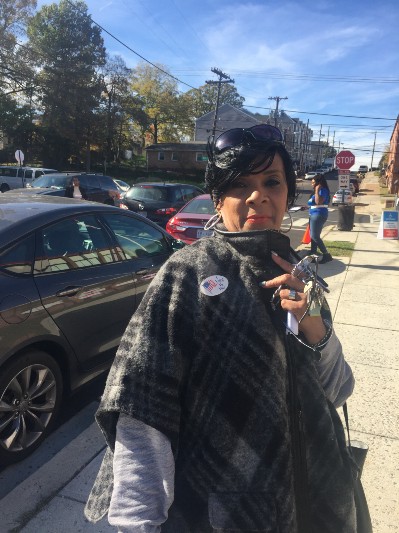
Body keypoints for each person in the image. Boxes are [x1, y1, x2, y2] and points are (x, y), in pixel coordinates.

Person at [85, 124, 356, 532]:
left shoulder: (301, 273)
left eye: (272, 182)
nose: (258, 196)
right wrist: (137, 524)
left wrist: (316, 331)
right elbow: (142, 409)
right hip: (228, 511)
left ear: (287, 193)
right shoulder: (186, 273)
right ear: (216, 197)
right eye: (238, 184)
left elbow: (337, 391)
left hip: (315, 495)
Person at [308, 174, 332, 263]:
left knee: (315, 236)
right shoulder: (317, 191)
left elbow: (318, 202)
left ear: (318, 183)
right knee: (313, 236)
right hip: (313, 213)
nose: (312, 184)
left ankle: (326, 255)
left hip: (318, 214)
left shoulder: (322, 190)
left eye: (313, 183)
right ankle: (313, 255)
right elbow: (314, 203)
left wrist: (317, 190)